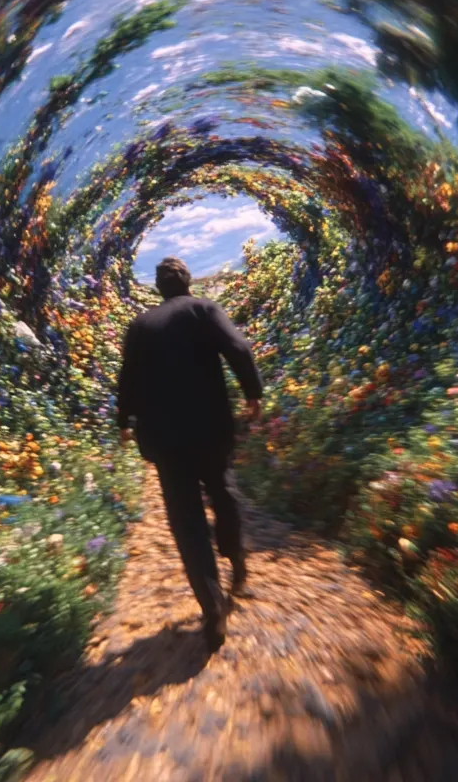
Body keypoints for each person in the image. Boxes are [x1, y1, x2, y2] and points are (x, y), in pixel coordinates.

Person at [116, 256, 263, 652]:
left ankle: (211, 603)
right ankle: (236, 562)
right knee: (222, 489)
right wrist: (252, 393)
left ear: (158, 288)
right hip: (211, 427)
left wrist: (124, 421)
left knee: (186, 521)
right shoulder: (204, 309)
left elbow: (127, 378)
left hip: (165, 439)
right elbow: (238, 347)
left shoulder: (140, 326)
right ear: (188, 281)